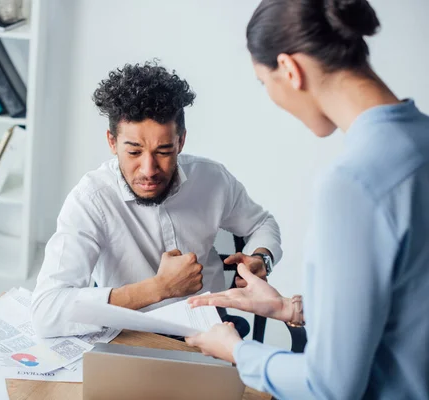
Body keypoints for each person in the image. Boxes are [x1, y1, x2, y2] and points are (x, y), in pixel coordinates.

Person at [186, 1, 429, 399]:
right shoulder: (420, 144)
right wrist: (290, 310)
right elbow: (410, 313)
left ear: (290, 69)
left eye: (265, 84)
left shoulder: (352, 184)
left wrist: (238, 352)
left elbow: (329, 387)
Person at [31, 62, 282, 338]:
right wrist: (159, 288)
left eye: (163, 151)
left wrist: (261, 257)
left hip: (211, 331)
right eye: (134, 152)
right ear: (112, 143)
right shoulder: (90, 200)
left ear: (181, 142)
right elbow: (46, 312)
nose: (149, 169)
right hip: (129, 336)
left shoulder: (212, 179)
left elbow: (262, 223)